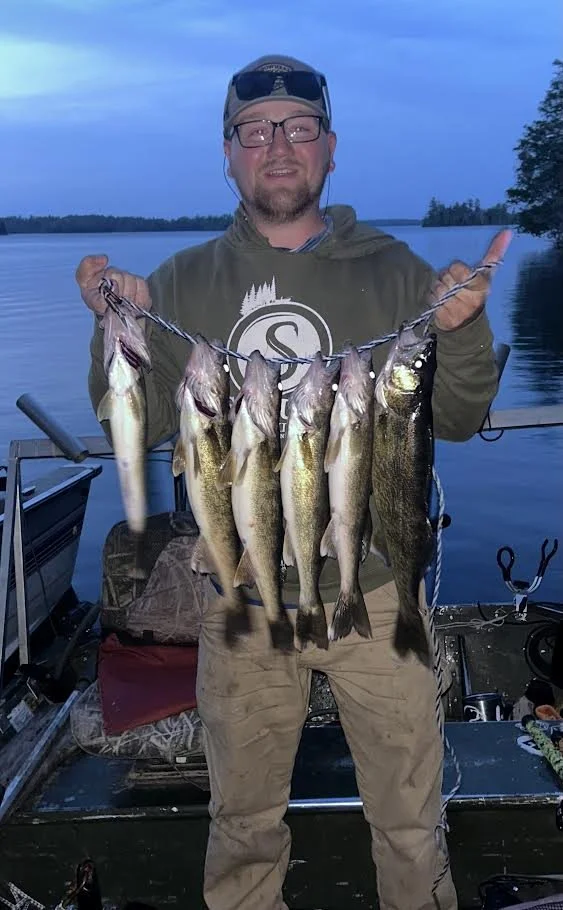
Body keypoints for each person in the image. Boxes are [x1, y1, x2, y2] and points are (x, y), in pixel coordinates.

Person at [77, 54, 511, 910]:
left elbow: (454, 417)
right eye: (255, 130)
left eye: (298, 127)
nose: (278, 145)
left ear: (330, 148)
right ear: (228, 154)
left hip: (375, 593)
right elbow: (138, 425)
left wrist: (462, 327)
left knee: (410, 822)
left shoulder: (394, 271)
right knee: (242, 822)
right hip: (237, 594)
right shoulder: (183, 280)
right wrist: (115, 327)